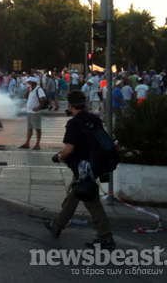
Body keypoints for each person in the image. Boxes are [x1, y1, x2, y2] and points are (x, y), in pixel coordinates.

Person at [45, 90, 115, 249]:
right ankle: (56, 225)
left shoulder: (74, 123)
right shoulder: (94, 119)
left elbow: (68, 149)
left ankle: (106, 237)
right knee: (74, 193)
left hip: (83, 168)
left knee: (91, 201)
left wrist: (60, 157)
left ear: (69, 105)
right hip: (95, 164)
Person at [20, 77, 47, 150]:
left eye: (29, 82)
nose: (28, 84)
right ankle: (27, 143)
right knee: (29, 128)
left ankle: (37, 144)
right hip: (29, 112)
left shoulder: (38, 89)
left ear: (33, 83)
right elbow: (26, 97)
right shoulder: (31, 90)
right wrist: (28, 90)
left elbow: (43, 99)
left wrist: (38, 107)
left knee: (37, 128)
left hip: (35, 113)